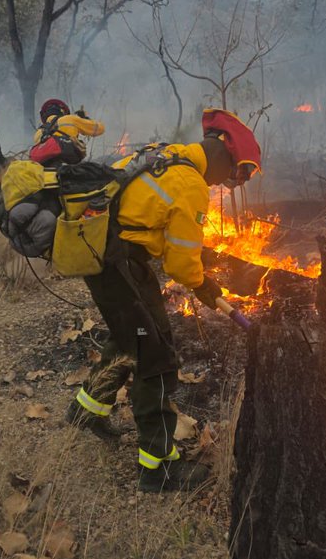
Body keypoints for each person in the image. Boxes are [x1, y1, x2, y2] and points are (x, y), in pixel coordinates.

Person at [65, 109, 262, 494]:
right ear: (224, 158)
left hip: (110, 257)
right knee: (154, 355)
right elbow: (180, 263)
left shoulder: (166, 153)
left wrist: (199, 280)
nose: (235, 185)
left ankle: (86, 410)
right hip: (121, 264)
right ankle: (158, 466)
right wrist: (205, 286)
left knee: (131, 336)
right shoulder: (191, 185)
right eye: (239, 175)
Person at [30, 98, 105, 165]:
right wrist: (85, 119)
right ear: (63, 112)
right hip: (69, 168)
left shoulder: (39, 132)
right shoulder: (69, 119)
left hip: (45, 173)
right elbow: (100, 129)